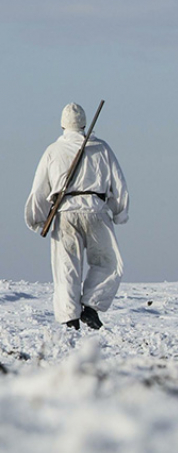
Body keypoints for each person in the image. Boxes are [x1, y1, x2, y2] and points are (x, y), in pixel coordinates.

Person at [25, 103, 129, 330]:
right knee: (109, 263)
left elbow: (40, 189)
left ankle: (70, 318)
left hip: (65, 213)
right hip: (96, 210)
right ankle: (91, 306)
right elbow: (118, 184)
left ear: (63, 124)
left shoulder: (53, 150)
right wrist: (119, 211)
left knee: (66, 267)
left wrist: (37, 219)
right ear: (83, 124)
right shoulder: (102, 148)